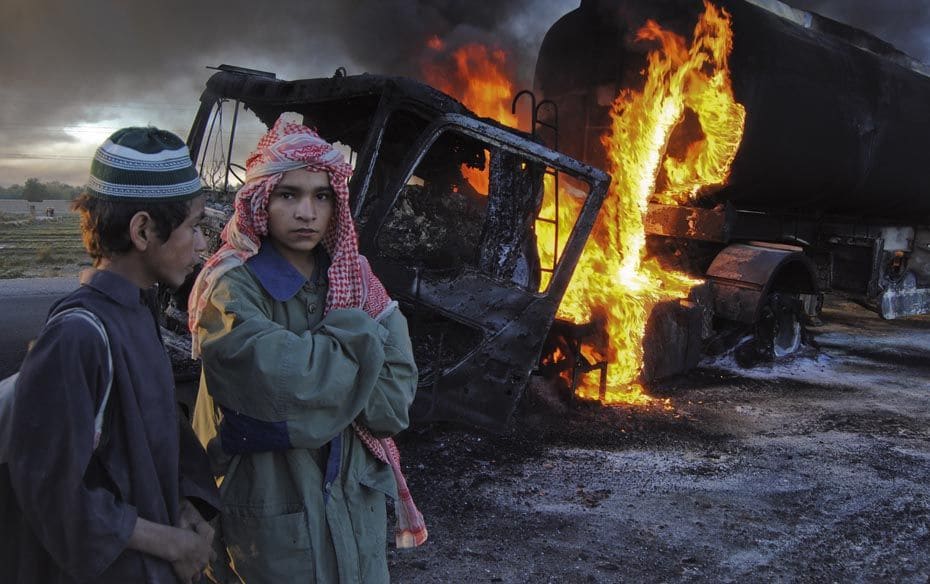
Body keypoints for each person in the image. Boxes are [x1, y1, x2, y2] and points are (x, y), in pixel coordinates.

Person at [187, 114, 425, 583]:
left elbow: (392, 408)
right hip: (271, 526)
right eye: (288, 195)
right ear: (261, 201)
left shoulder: (357, 279)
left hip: (354, 522)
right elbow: (283, 391)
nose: (306, 212)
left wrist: (327, 388)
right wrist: (359, 335)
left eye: (321, 196)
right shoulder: (231, 287)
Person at [5, 127, 220, 583]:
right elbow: (50, 491)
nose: (202, 245)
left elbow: (148, 446)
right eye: (194, 226)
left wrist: (183, 506)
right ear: (143, 230)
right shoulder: (77, 337)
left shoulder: (138, 310)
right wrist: (171, 543)